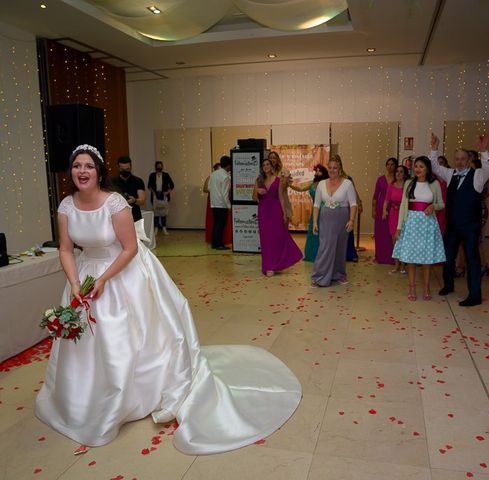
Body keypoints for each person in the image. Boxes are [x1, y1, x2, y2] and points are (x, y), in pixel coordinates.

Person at [35, 144, 301, 455]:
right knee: (86, 342)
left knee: (124, 336)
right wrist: (74, 282)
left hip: (120, 273)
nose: (82, 171)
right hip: (83, 276)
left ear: (99, 172)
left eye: (89, 166)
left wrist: (104, 279)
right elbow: (66, 249)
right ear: (71, 171)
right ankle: (85, 396)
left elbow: (129, 247)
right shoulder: (66, 206)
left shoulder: (115, 203)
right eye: (77, 165)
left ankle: (131, 393)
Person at [429, 133, 489, 307]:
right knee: (448, 257)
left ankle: (475, 295)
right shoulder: (451, 174)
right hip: (453, 225)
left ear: (469, 159)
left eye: (463, 159)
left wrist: (484, 150)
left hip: (470, 226)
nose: (459, 162)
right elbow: (434, 166)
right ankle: (448, 285)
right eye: (456, 159)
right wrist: (434, 148)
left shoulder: (478, 175)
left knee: (472, 260)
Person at [392, 157, 446, 301]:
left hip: (427, 225)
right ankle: (412, 288)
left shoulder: (434, 184)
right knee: (410, 259)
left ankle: (427, 288)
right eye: (416, 166)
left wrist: (433, 206)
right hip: (411, 224)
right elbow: (404, 205)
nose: (418, 169)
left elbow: (441, 204)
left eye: (421, 166)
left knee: (426, 259)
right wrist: (399, 228)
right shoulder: (409, 183)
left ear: (427, 169)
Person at [310, 155, 358, 287]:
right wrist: (315, 222)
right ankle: (319, 276)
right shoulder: (321, 184)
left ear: (340, 168)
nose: (332, 170)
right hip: (325, 219)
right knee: (325, 247)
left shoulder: (347, 183)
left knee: (340, 247)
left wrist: (352, 220)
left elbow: (353, 204)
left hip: (342, 218)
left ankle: (339, 274)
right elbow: (316, 205)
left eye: (335, 168)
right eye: (330, 167)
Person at [253, 158, 303, 276]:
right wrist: (257, 192)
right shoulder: (258, 181)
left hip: (276, 211)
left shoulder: (279, 180)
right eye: (264, 165)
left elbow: (281, 197)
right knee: (266, 239)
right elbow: (253, 198)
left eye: (268, 164)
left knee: (278, 237)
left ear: (271, 166)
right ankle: (268, 266)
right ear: (262, 167)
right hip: (263, 212)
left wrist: (285, 213)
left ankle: (278, 263)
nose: (266, 166)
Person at [290, 164, 329, 262]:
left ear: (324, 173)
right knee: (313, 232)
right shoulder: (313, 183)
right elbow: (301, 189)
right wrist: (289, 185)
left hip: (324, 211)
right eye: (316, 171)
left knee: (323, 233)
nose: (317, 172)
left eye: (319, 171)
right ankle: (312, 254)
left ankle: (323, 256)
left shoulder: (326, 183)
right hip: (315, 212)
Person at [382, 165, 409, 274]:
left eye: (401, 172)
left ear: (405, 174)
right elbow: (386, 200)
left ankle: (403, 266)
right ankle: (396, 265)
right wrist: (384, 210)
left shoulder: (408, 186)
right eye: (397, 171)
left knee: (404, 241)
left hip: (404, 215)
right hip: (393, 214)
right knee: (395, 241)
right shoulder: (391, 185)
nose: (398, 173)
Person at [372, 157, 398, 265]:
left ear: (395, 166)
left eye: (392, 164)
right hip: (380, 208)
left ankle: (393, 258)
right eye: (388, 164)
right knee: (380, 233)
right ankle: (380, 256)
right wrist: (373, 210)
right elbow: (375, 196)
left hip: (393, 209)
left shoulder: (397, 180)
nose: (389, 166)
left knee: (390, 233)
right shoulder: (380, 179)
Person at [110, 156, 145, 222]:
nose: (125, 171)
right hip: (117, 217)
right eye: (123, 170)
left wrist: (134, 200)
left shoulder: (138, 181)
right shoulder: (112, 181)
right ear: (118, 168)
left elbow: (142, 201)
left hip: (135, 217)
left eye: (127, 169)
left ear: (131, 167)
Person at [207, 155, 231, 250]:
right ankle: (218, 244)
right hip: (222, 204)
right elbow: (225, 194)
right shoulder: (225, 176)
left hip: (214, 203)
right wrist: (229, 206)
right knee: (220, 225)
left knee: (217, 224)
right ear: (228, 165)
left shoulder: (213, 174)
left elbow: (209, 188)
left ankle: (215, 243)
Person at [147, 161, 175, 235]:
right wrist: (153, 194)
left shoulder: (166, 175)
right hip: (155, 195)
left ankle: (164, 228)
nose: (159, 168)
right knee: (156, 213)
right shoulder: (152, 175)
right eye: (158, 166)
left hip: (164, 195)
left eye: (160, 166)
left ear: (162, 167)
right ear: (155, 167)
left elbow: (172, 185)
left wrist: (167, 192)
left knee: (163, 212)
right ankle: (156, 228)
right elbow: (149, 186)